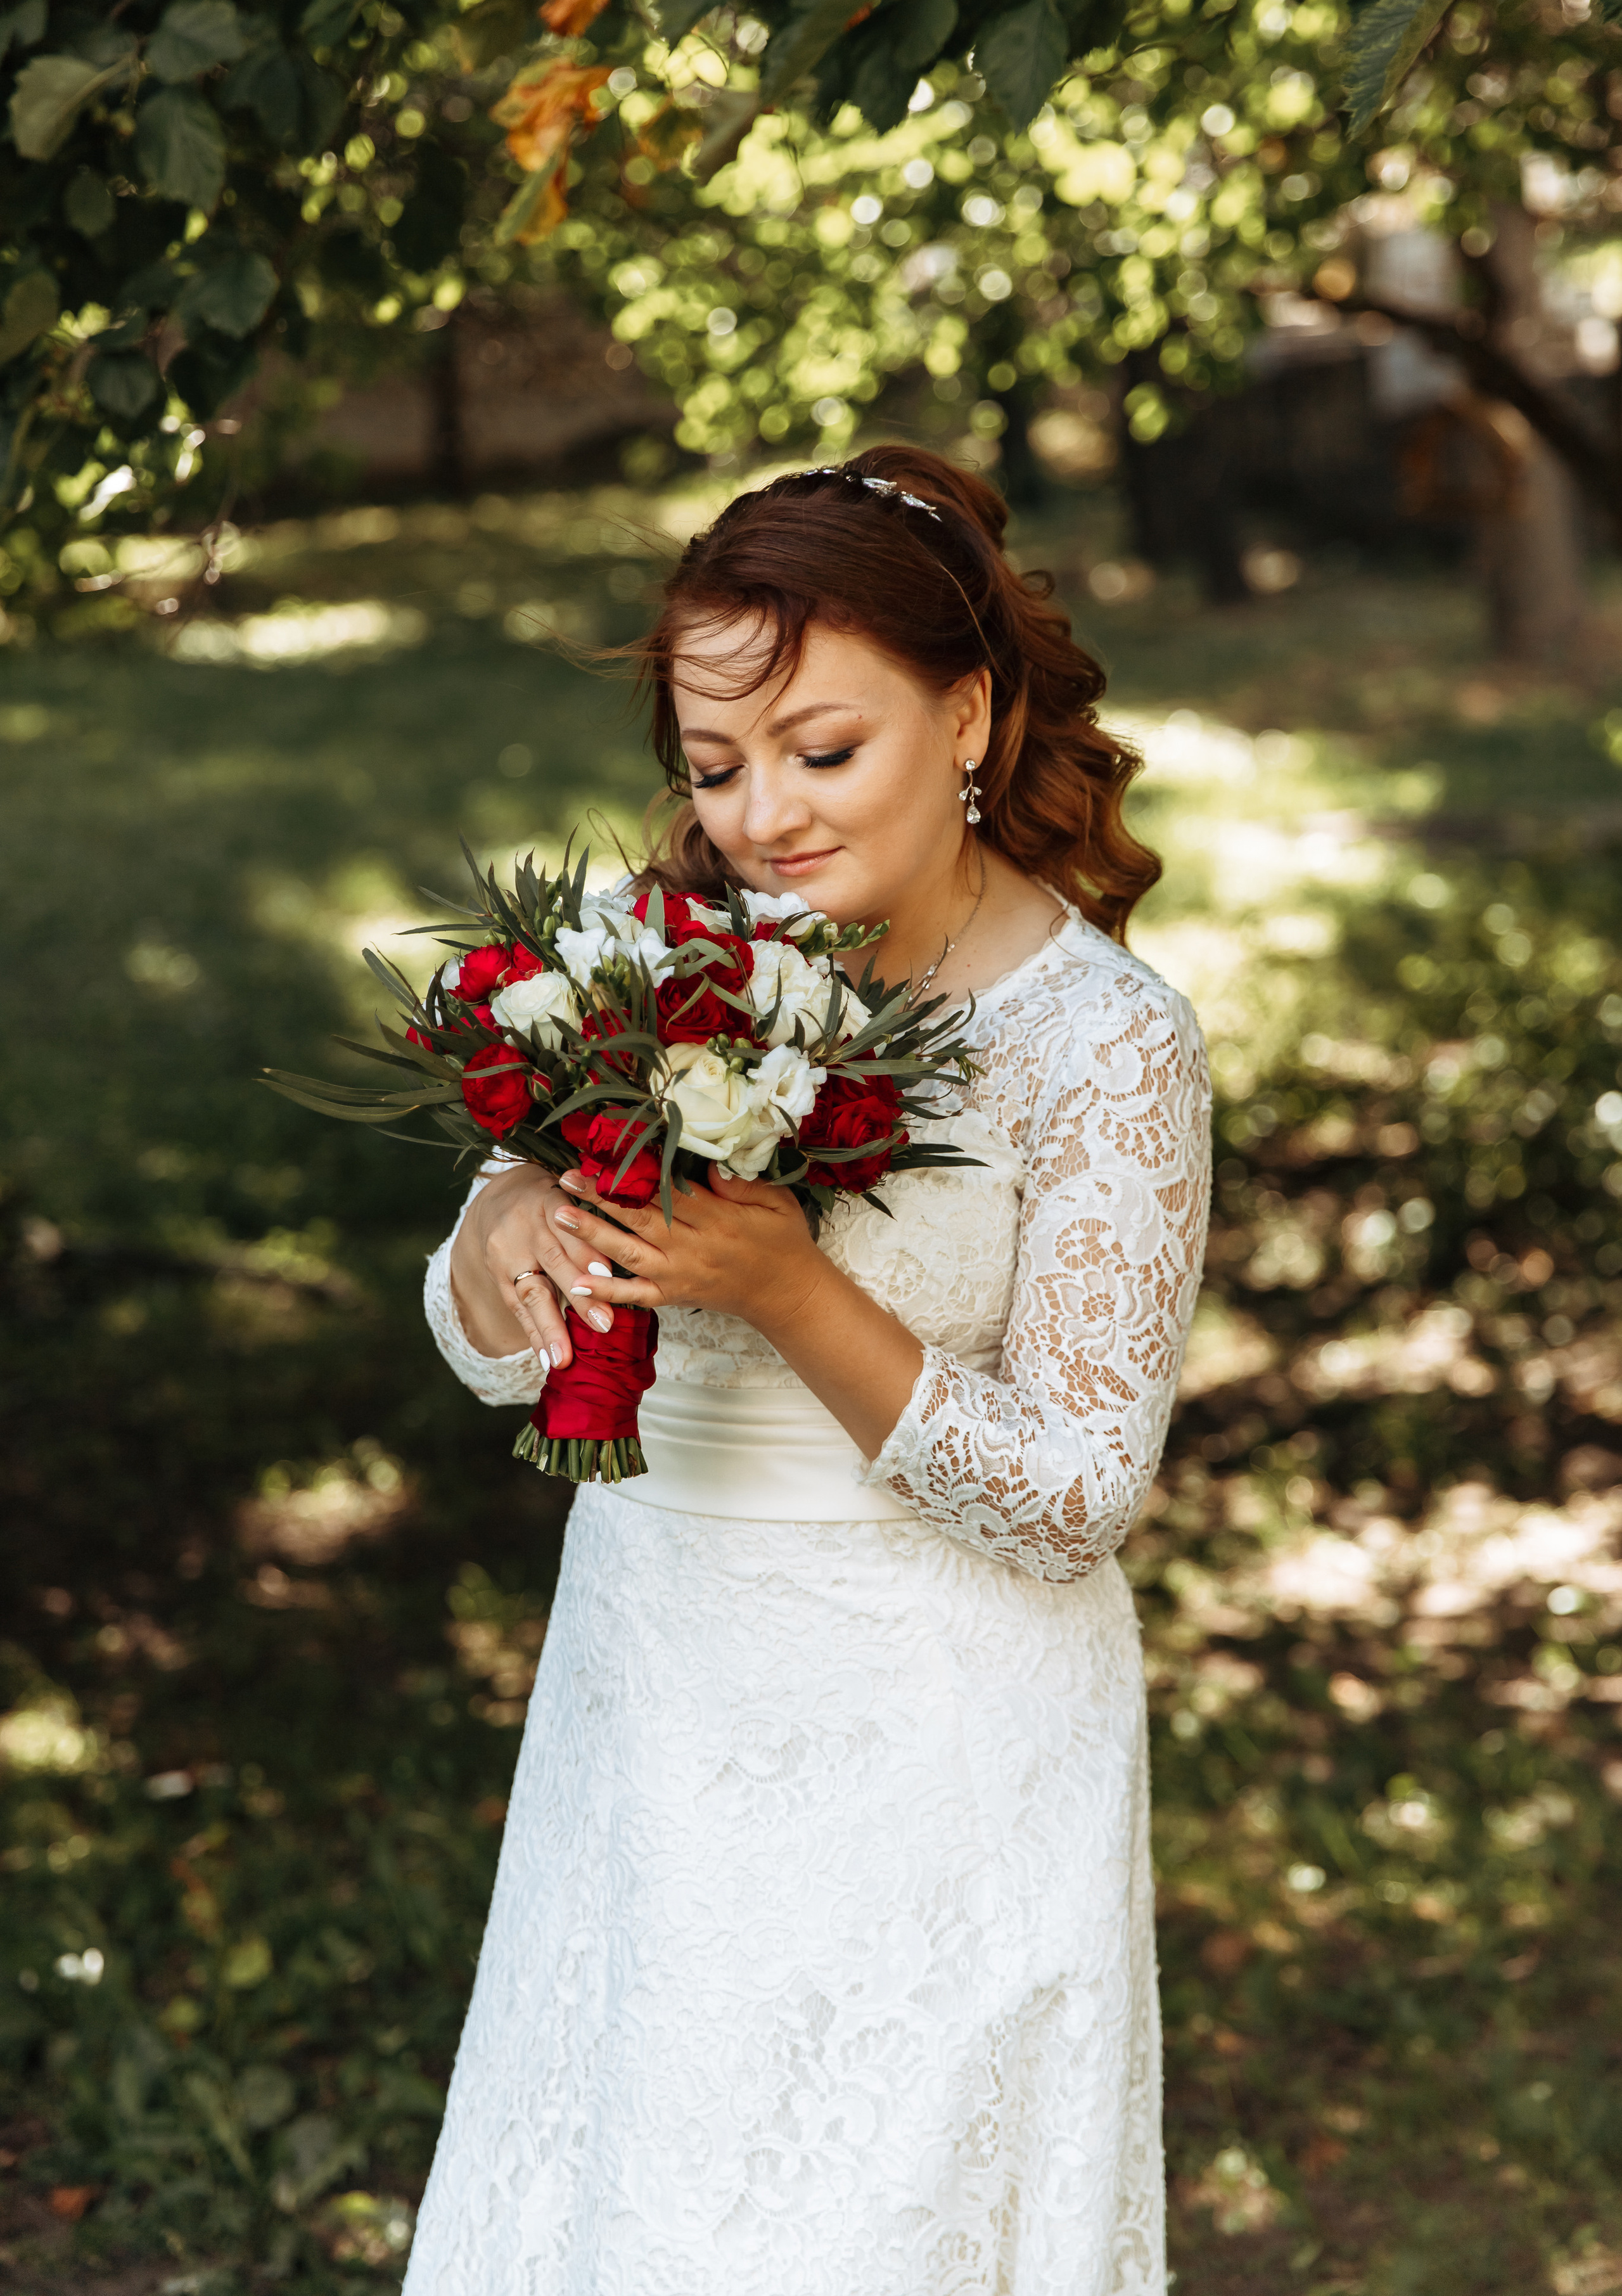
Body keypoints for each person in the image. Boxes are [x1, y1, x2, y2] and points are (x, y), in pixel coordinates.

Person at [404, 444, 1211, 2296]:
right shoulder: (665, 966)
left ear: (972, 717)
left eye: (821, 750)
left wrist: (789, 1292)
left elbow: (1078, 1492)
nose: (759, 815)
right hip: (657, 1701)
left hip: (940, 1755)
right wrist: (500, 1235)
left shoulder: (1102, 1049)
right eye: (712, 765)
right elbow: (479, 1342)